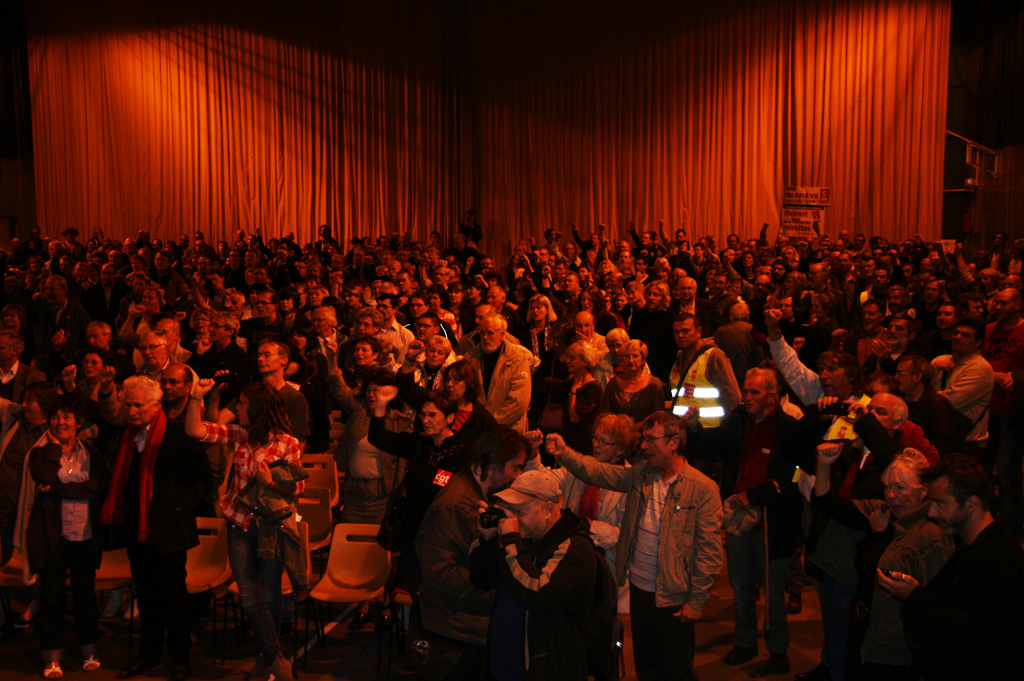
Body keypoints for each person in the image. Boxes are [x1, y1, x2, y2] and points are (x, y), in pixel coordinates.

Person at [546, 411, 724, 681]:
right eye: (643, 440)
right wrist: (566, 453)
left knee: (676, 669)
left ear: (674, 442)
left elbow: (709, 551)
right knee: (647, 665)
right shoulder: (642, 474)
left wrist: (697, 601)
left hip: (673, 596)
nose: (643, 446)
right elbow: (599, 472)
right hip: (639, 591)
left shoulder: (703, 489)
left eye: (651, 440)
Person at [683, 368, 802, 674]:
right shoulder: (737, 420)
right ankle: (746, 642)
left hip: (771, 522)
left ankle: (778, 649)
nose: (747, 398)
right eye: (746, 392)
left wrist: (756, 496)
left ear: (771, 396)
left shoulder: (787, 429)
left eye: (754, 393)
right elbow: (713, 445)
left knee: (774, 592)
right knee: (741, 586)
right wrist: (694, 429)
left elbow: (790, 478)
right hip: (737, 517)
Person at [185, 379, 304, 681]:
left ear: (257, 408)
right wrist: (196, 399)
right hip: (239, 524)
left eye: (241, 403)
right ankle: (275, 656)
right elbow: (196, 430)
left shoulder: (287, 443)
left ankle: (266, 659)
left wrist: (270, 483)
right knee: (250, 597)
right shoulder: (239, 435)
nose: (237, 408)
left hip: (270, 527)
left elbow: (297, 489)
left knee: (272, 595)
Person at [101, 376, 211, 681]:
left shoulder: (176, 433)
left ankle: (180, 658)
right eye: (128, 403)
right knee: (146, 596)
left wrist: (178, 509)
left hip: (168, 531)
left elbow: (202, 478)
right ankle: (148, 653)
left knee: (173, 598)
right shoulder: (125, 436)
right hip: (136, 529)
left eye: (138, 404)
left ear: (155, 405)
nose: (132, 410)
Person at [878, 456, 1024, 681]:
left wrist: (915, 597)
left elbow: (977, 637)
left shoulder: (997, 558)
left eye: (940, 503)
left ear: (971, 503)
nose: (931, 512)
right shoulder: (972, 546)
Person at [812, 448, 953, 680]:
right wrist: (823, 465)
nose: (891, 495)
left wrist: (877, 535)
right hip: (870, 640)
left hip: (897, 652)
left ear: (923, 490)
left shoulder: (931, 534)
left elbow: (934, 607)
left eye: (900, 487)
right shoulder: (885, 513)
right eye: (887, 487)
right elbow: (830, 504)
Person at [415, 426, 530, 680]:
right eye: (516, 467)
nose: (518, 475)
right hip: (456, 628)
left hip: (465, 622)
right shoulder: (457, 504)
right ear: (493, 463)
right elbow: (441, 574)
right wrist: (499, 588)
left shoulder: (479, 495)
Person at [469, 469, 598, 681]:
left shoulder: (575, 548)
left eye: (519, 513)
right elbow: (481, 579)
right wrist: (488, 541)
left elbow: (537, 593)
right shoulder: (526, 540)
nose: (513, 520)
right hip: (502, 667)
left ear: (548, 509)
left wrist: (510, 540)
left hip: (544, 670)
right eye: (509, 511)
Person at [27, 397, 109, 679]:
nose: (60, 422)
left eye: (67, 417)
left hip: (85, 533)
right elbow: (44, 474)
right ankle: (52, 656)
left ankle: (89, 651)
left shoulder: (93, 454)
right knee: (52, 596)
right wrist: (53, 448)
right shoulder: (41, 452)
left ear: (79, 422)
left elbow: (99, 487)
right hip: (53, 534)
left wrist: (58, 489)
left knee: (85, 594)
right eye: (55, 417)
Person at [463, 314, 533, 433]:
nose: (485, 337)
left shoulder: (517, 359)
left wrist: (490, 423)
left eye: (490, 333)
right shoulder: (471, 357)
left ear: (501, 335)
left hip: (508, 431)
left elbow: (519, 402)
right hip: (478, 430)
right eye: (482, 333)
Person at [601, 339, 664, 423]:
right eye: (626, 356)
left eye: (635, 356)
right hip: (618, 432)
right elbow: (605, 413)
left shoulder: (654, 384)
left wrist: (637, 427)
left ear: (643, 359)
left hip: (647, 433)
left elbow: (658, 415)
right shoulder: (613, 384)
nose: (630, 360)